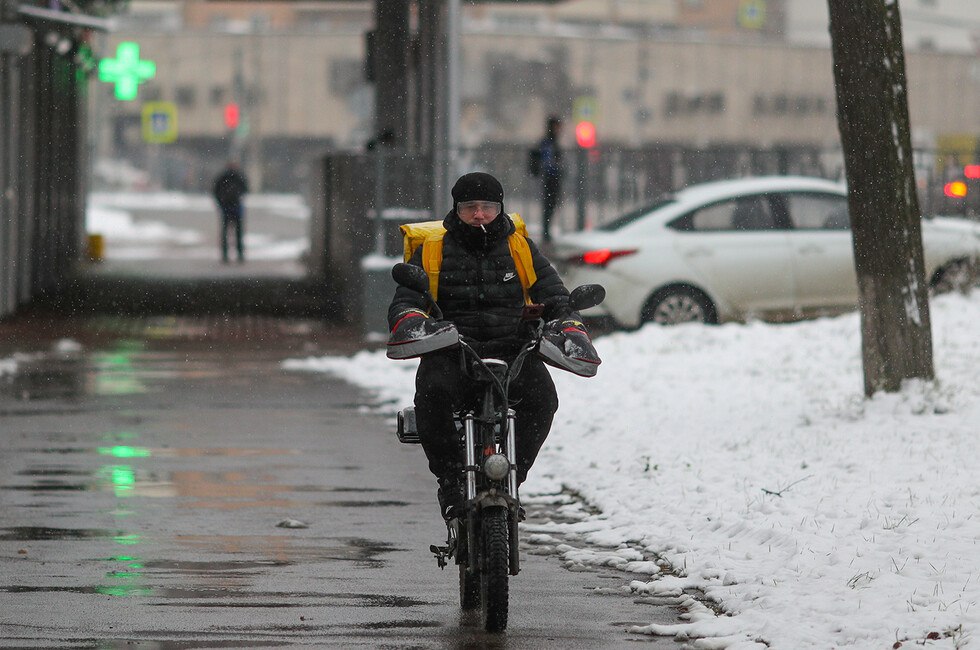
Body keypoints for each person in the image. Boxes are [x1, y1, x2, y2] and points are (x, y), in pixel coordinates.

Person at [386, 172, 597, 521]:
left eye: (488, 206)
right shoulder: (432, 249)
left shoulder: (521, 248)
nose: (480, 214)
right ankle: (451, 483)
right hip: (453, 350)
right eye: (471, 207)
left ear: (500, 209)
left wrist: (568, 325)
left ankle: (515, 476)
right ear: (457, 209)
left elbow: (556, 297)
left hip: (513, 350)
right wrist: (413, 321)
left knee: (543, 399)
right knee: (431, 395)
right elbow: (406, 301)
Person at [528, 115, 564, 244]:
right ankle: (546, 233)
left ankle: (546, 232)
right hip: (550, 178)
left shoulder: (550, 141)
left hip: (550, 178)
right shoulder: (549, 142)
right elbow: (549, 162)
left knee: (550, 205)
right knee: (549, 205)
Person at [212, 161, 249, 263]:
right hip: (232, 208)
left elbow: (216, 190)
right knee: (236, 233)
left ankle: (228, 255)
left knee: (229, 233)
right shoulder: (236, 177)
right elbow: (245, 189)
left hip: (229, 208)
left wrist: (221, 202)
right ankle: (236, 255)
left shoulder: (225, 177)